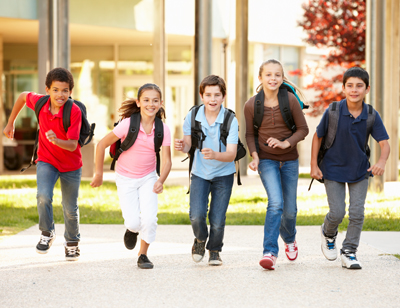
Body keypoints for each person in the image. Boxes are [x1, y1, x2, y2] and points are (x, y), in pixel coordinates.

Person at [310, 66, 390, 270]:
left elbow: (385, 144)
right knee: (337, 212)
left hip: (359, 170)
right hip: (333, 169)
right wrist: (313, 165)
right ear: (344, 88)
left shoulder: (371, 114)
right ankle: (328, 233)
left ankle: (349, 251)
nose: (354, 90)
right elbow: (317, 137)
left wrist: (381, 162)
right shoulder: (334, 111)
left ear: (367, 89)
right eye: (350, 86)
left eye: (359, 86)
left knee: (357, 213)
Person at [3, 67, 83, 261]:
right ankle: (47, 232)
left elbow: (73, 145)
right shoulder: (40, 102)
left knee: (69, 207)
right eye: (55, 90)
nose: (60, 94)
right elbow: (22, 96)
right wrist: (10, 122)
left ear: (70, 91)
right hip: (47, 160)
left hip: (71, 165)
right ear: (47, 89)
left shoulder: (74, 111)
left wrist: (56, 140)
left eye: (65, 90)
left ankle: (72, 243)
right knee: (43, 196)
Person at [90, 83, 171, 269]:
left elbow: (167, 161)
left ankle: (143, 255)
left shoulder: (163, 129)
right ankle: (132, 229)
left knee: (150, 219)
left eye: (155, 100)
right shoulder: (128, 124)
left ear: (161, 103)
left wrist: (160, 180)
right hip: (125, 177)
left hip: (149, 177)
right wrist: (99, 174)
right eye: (146, 100)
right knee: (134, 221)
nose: (151, 104)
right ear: (139, 102)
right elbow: (101, 145)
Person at [244, 59, 309, 270]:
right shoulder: (251, 104)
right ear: (260, 78)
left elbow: (303, 129)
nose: (273, 78)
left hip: (289, 160)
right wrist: (254, 156)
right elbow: (250, 134)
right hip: (266, 160)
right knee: (275, 203)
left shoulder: (290, 100)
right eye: (268, 74)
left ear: (282, 78)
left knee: (289, 210)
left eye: (277, 75)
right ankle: (270, 252)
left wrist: (285, 143)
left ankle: (289, 239)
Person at [174, 75, 238, 266]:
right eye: (208, 94)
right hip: (200, 173)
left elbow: (232, 154)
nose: (212, 99)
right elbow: (188, 145)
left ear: (223, 96)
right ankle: (200, 240)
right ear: (201, 96)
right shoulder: (193, 116)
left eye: (217, 95)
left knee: (217, 219)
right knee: (196, 215)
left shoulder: (230, 120)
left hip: (224, 175)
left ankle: (215, 250)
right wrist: (182, 146)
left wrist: (215, 155)